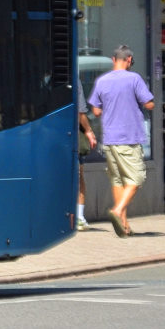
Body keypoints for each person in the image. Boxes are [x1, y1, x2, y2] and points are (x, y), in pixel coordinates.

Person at [87, 44, 155, 238]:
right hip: (129, 138)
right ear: (130, 60)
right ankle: (117, 211)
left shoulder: (102, 81)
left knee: (118, 180)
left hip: (109, 139)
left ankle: (124, 225)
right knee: (136, 178)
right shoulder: (134, 79)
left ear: (112, 59)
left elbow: (96, 110)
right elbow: (149, 103)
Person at [75, 74, 97, 230]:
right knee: (79, 177)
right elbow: (80, 113)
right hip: (72, 137)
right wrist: (89, 131)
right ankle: (79, 217)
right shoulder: (74, 80)